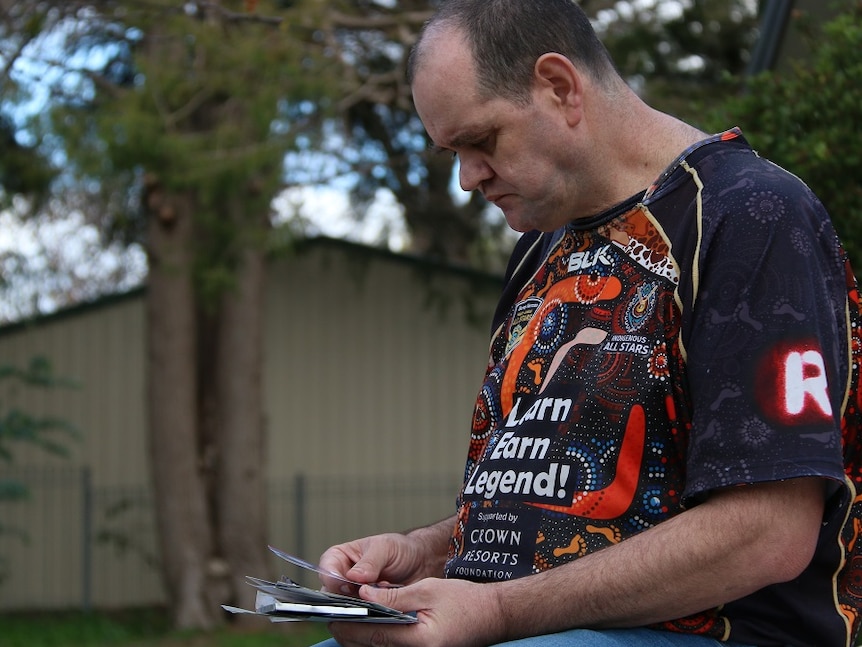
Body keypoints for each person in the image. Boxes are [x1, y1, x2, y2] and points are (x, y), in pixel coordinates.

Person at [311, 1, 862, 645]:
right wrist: (425, 553)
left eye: (481, 141)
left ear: (559, 87)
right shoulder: (543, 246)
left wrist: (498, 613)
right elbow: (568, 509)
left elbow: (767, 533)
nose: (466, 178)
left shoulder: (751, 215)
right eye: (451, 151)